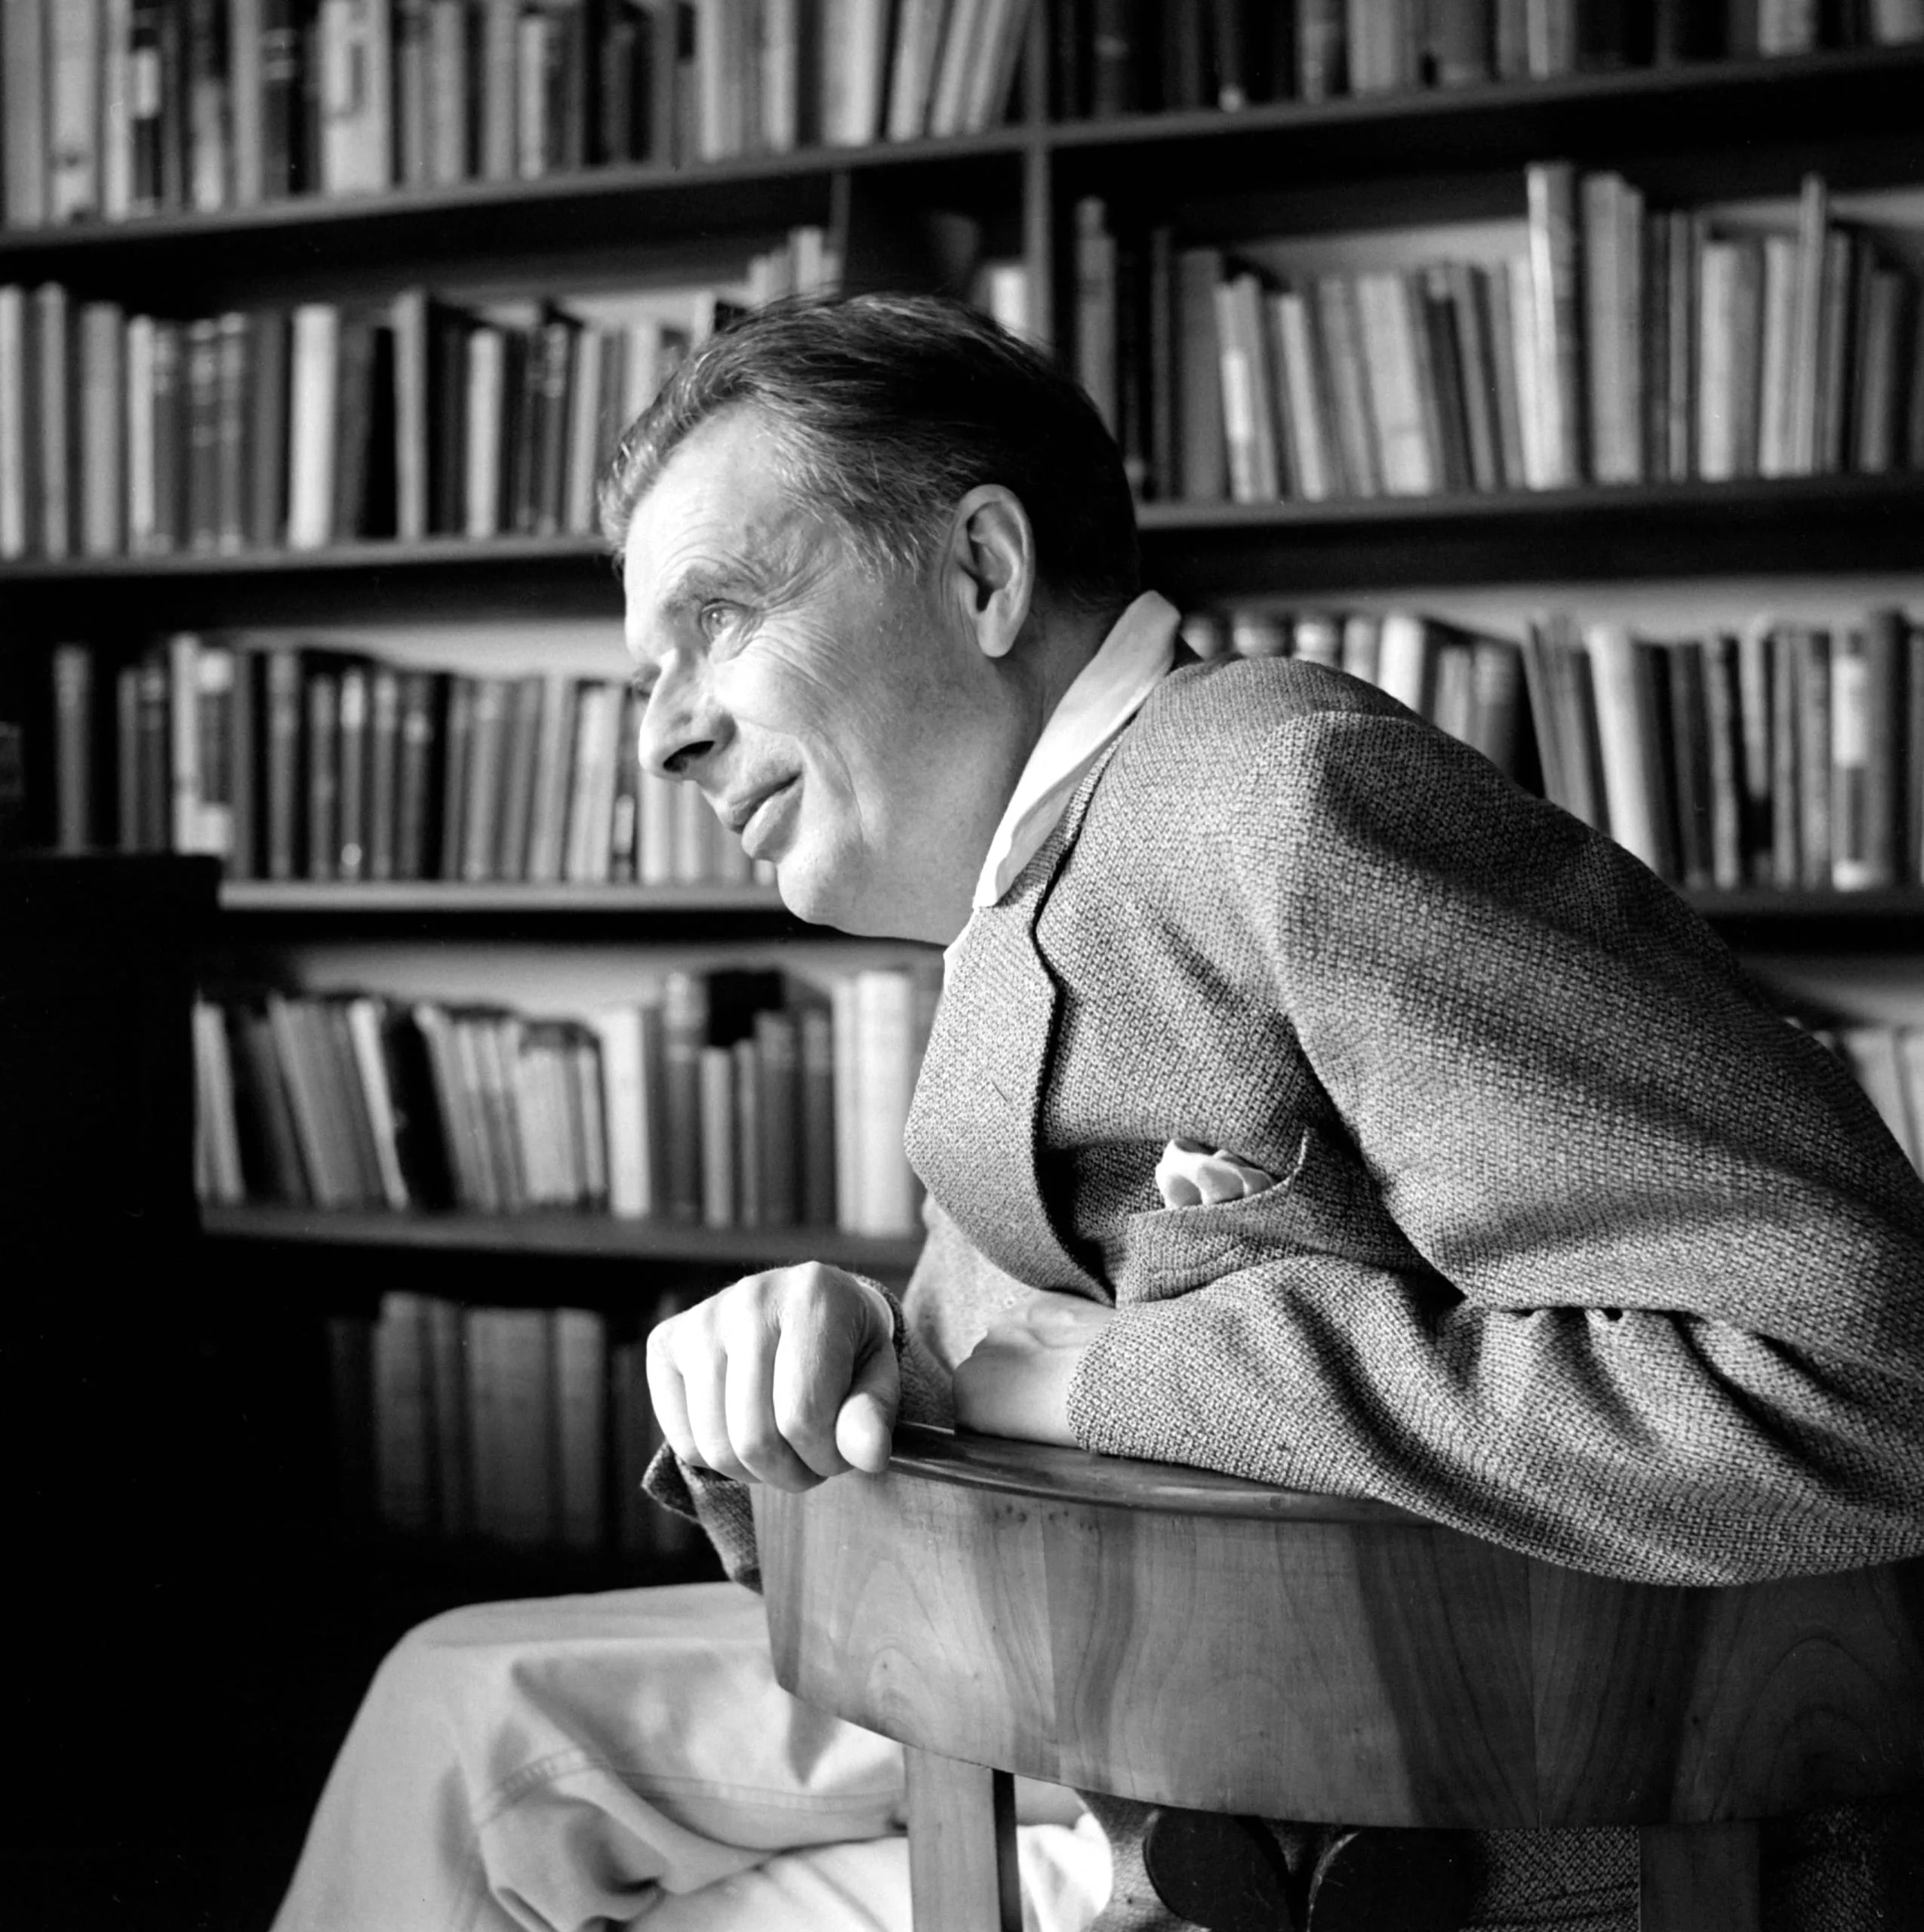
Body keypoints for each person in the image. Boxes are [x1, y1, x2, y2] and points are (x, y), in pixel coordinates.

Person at [274, 294, 1924, 1932]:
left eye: (721, 617)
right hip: (1134, 1716)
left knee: (461, 1756)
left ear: (984, 572)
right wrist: (849, 1355)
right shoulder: (1032, 878)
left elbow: (1856, 1376)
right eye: (649, 671)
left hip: (1451, 1835)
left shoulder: (1280, 794)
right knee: (455, 1707)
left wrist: (1115, 1378)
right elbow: (1003, 1378)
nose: (661, 737)